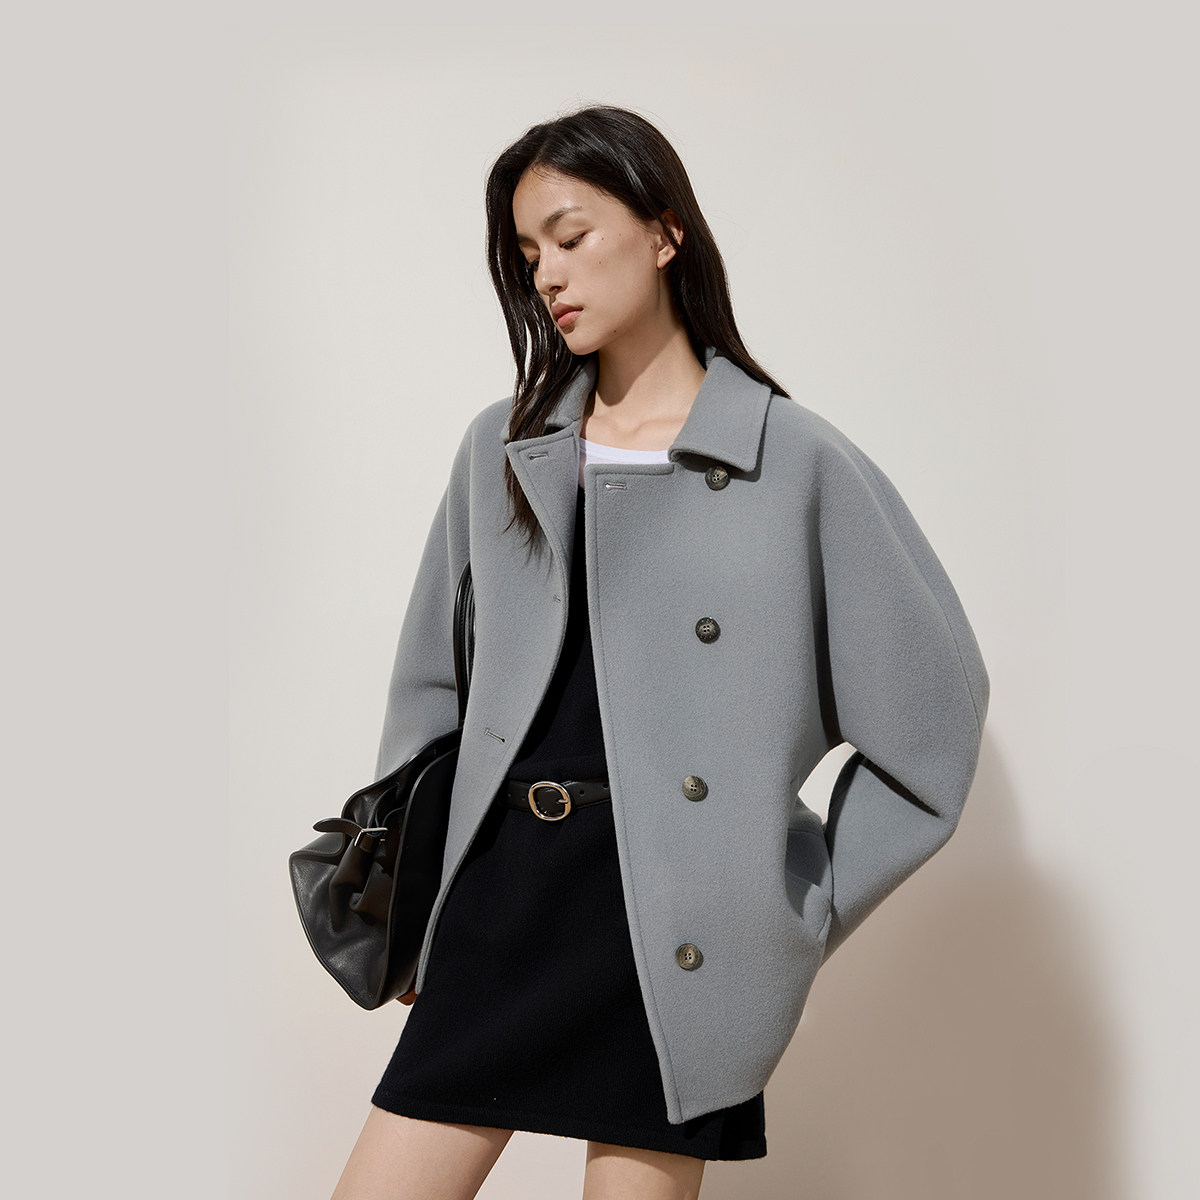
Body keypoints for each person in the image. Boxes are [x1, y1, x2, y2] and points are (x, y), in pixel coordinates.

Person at [329, 104, 990, 1200]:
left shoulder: (795, 461)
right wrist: (419, 896)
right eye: (528, 254)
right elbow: (432, 687)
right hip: (504, 897)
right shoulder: (505, 447)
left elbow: (933, 726)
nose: (547, 274)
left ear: (665, 231)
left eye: (571, 235)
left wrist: (789, 907)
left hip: (682, 933)